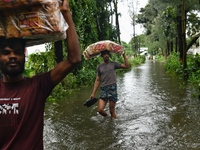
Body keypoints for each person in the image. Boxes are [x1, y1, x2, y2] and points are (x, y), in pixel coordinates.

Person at [0, 0, 81, 149]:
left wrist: (66, 13)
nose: (12, 56)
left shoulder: (37, 86)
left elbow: (74, 59)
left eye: (18, 52)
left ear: (24, 56)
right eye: (6, 53)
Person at [90, 50, 130, 119]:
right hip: (103, 89)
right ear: (102, 56)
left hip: (112, 88)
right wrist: (93, 93)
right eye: (104, 54)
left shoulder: (113, 64)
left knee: (112, 111)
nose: (106, 55)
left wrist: (124, 55)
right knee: (100, 110)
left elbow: (127, 66)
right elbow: (97, 80)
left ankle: (112, 124)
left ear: (109, 55)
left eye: (107, 54)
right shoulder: (99, 67)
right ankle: (108, 118)